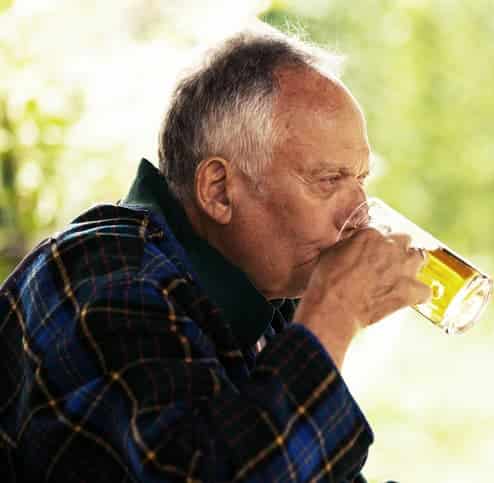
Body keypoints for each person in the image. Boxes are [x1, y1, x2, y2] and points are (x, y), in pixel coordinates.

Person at [0, 22, 430, 482]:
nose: (360, 212)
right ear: (220, 191)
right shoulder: (108, 276)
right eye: (329, 180)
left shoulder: (253, 305)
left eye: (359, 180)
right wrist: (333, 313)